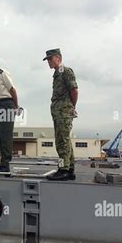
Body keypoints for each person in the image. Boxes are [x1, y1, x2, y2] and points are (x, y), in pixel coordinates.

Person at [43, 48, 78, 181]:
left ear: (58, 58)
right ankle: (70, 169)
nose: (49, 62)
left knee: (61, 141)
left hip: (64, 111)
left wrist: (71, 107)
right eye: (47, 60)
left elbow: (74, 90)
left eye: (50, 59)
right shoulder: (57, 74)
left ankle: (63, 169)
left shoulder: (66, 71)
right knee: (65, 140)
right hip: (59, 111)